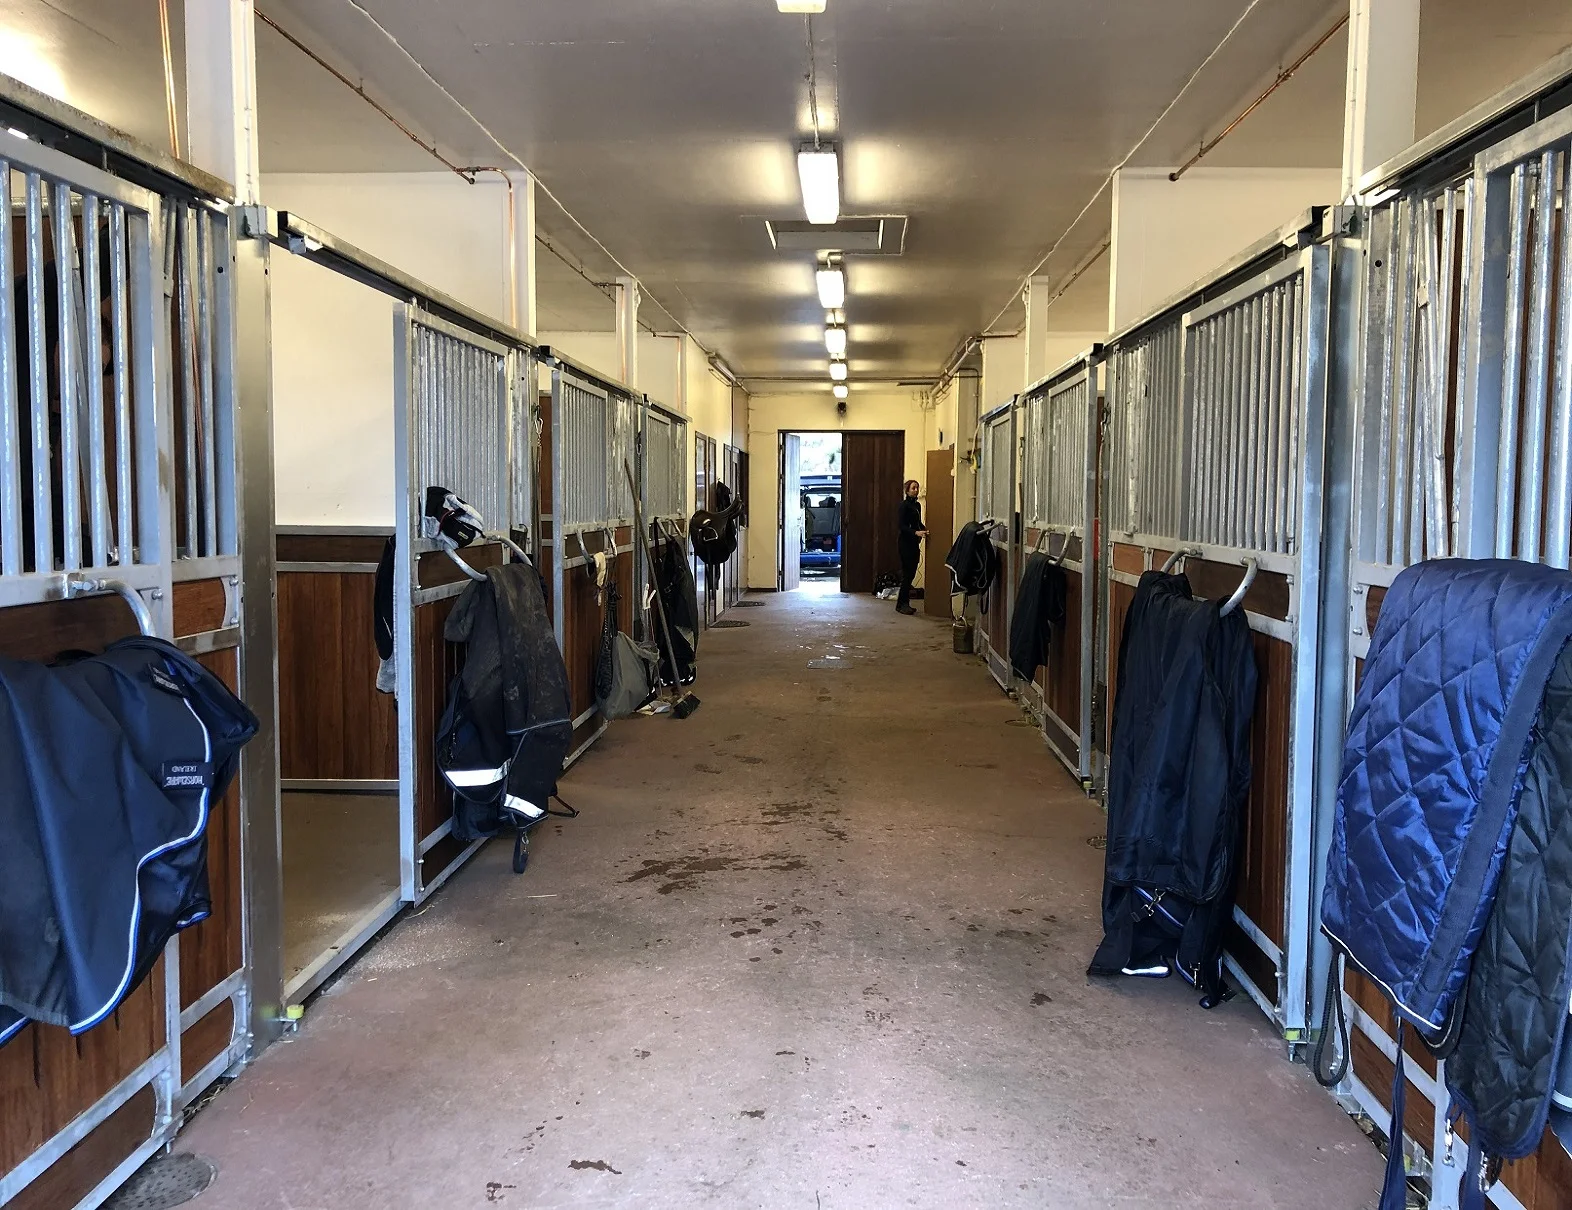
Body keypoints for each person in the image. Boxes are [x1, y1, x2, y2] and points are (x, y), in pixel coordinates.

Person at [896, 479, 927, 615]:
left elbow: (917, 522)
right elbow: (902, 526)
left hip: (914, 542)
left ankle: (904, 602)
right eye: (913, 488)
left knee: (912, 574)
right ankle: (901, 604)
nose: (916, 490)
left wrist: (924, 529)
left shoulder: (917, 505)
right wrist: (915, 532)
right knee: (907, 575)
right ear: (907, 490)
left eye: (917, 488)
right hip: (905, 543)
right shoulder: (904, 506)